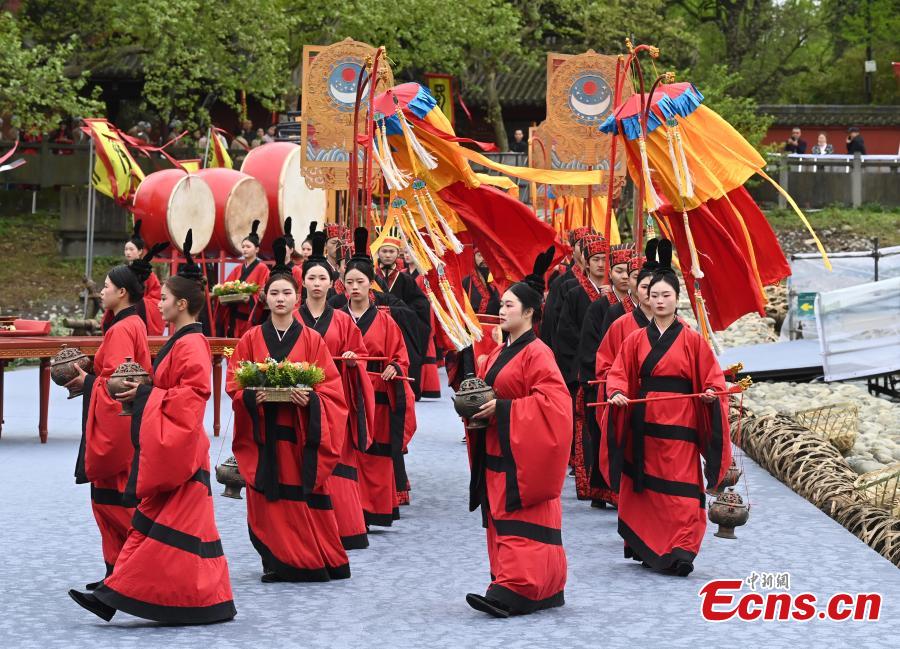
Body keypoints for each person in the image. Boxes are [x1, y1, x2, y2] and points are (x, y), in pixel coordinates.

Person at [69, 231, 236, 624]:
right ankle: (114, 596)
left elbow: (190, 399)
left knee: (162, 534)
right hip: (173, 449)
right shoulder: (180, 341)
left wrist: (144, 396)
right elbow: (167, 391)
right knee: (150, 529)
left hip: (180, 453)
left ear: (181, 304)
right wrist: (145, 391)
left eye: (162, 299)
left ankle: (206, 600)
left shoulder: (191, 345)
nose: (156, 304)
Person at [604, 242, 732, 576]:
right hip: (643, 425)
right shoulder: (634, 340)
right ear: (647, 298)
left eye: (667, 295)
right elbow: (618, 373)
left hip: (681, 426)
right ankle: (652, 546)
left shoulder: (693, 340)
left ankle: (681, 550)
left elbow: (714, 379)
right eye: (655, 295)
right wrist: (617, 393)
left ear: (677, 299)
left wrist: (710, 393)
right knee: (647, 492)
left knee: (683, 491)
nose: (660, 301)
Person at [228, 238, 351, 582]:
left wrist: (311, 400)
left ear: (296, 298)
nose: (280, 299)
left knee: (302, 496)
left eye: (286, 293)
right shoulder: (251, 338)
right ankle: (278, 558)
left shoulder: (312, 340)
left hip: (301, 437)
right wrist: (253, 397)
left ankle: (313, 558)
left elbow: (331, 390)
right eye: (274, 294)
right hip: (264, 434)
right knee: (268, 498)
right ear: (264, 299)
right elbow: (235, 385)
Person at [464, 246, 571, 618]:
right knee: (501, 520)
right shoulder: (497, 354)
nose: (502, 309)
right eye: (502, 304)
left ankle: (521, 587)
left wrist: (506, 409)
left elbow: (555, 406)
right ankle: (510, 581)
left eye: (509, 305)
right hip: (499, 449)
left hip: (525, 456)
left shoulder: (538, 353)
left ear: (529, 312)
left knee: (523, 520)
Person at [68, 264, 152, 589]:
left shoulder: (121, 329)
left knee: (111, 503)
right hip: (125, 424)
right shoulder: (132, 323)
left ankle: (130, 573)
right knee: (111, 501)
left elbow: (119, 384)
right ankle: (117, 574)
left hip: (116, 427)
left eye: (105, 286)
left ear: (122, 292)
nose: (100, 291)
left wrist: (87, 379)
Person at [298, 231, 376, 549]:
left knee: (336, 460)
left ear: (332, 284)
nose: (317, 283)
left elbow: (362, 355)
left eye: (322, 278)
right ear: (302, 282)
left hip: (334, 401)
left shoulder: (343, 322)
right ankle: (307, 531)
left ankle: (345, 529)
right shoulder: (291, 319)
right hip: (298, 399)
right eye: (311, 277)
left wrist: (353, 360)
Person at [337, 228, 416, 527]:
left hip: (379, 396)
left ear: (370, 284)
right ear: (342, 285)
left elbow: (400, 356)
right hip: (346, 393)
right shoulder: (337, 316)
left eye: (360, 282)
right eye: (349, 282)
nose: (355, 287)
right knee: (350, 453)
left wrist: (394, 367)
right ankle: (349, 510)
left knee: (376, 453)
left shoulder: (385, 320)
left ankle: (376, 508)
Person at [590, 240, 658, 509]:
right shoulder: (620, 323)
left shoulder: (682, 329)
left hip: (663, 407)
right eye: (645, 288)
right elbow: (606, 364)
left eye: (659, 291)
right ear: (635, 288)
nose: (653, 296)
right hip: (628, 401)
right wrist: (616, 389)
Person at [570, 243, 634, 501]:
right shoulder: (602, 308)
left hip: (632, 384)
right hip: (604, 379)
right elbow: (596, 347)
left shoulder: (646, 313)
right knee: (602, 436)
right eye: (618, 270)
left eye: (629, 273)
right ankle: (603, 489)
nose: (624, 277)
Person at [374, 225, 431, 400]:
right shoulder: (371, 277)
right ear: (378, 253)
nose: (387, 255)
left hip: (400, 329)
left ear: (397, 253)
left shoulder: (405, 279)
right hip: (375, 327)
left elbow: (420, 306)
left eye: (391, 251)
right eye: (384, 251)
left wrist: (397, 311)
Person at [102, 220, 167, 335]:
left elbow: (156, 296)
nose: (128, 252)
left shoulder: (148, 274)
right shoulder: (123, 271)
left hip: (139, 311)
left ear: (140, 251)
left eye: (131, 249)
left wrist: (138, 302)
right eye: (126, 249)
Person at [214, 220, 269, 337]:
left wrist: (250, 298)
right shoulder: (237, 269)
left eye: (248, 247)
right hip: (233, 314)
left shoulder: (262, 268)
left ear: (257, 249)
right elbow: (226, 287)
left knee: (246, 346)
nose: (244, 249)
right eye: (243, 247)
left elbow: (263, 292)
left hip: (249, 316)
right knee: (231, 348)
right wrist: (224, 294)